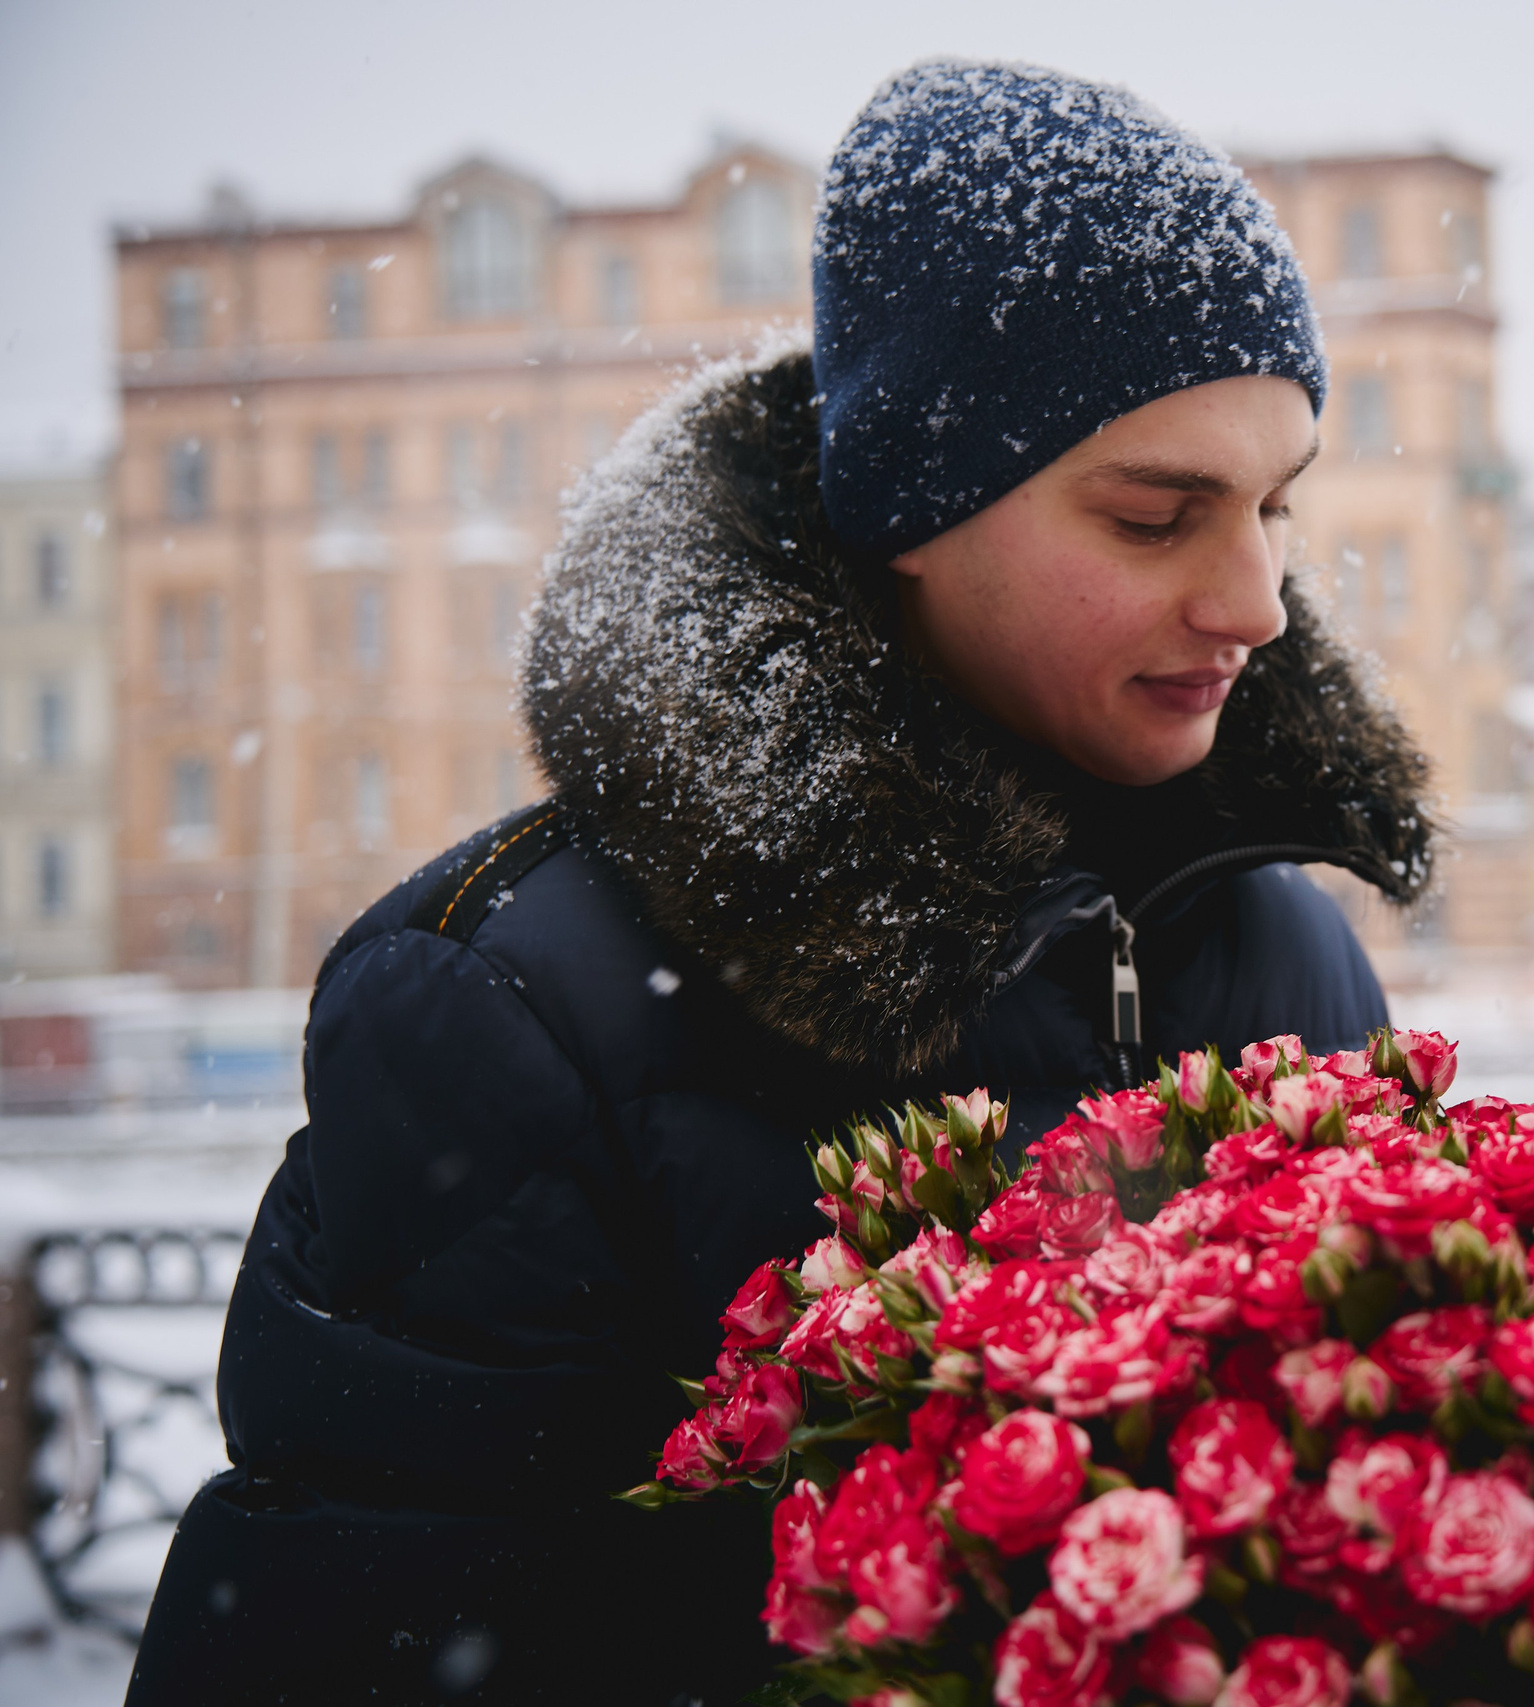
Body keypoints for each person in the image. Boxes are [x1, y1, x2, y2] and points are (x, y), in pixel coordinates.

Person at [130, 61, 1432, 1705]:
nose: (1256, 600)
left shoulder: (1288, 947)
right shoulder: (505, 998)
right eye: (1158, 516)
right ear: (910, 507)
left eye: (1275, 507)